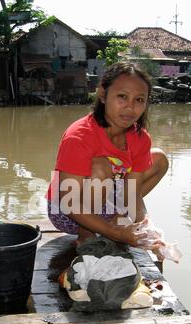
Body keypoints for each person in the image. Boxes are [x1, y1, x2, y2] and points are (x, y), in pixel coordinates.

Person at [47, 62, 169, 250]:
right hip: (66, 211)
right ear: (103, 95)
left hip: (106, 200)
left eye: (139, 100)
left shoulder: (140, 137)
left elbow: (132, 192)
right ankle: (87, 232)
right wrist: (118, 234)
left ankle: (114, 217)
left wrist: (146, 227)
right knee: (101, 166)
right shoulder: (79, 136)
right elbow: (68, 202)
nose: (130, 107)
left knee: (159, 159)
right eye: (122, 97)